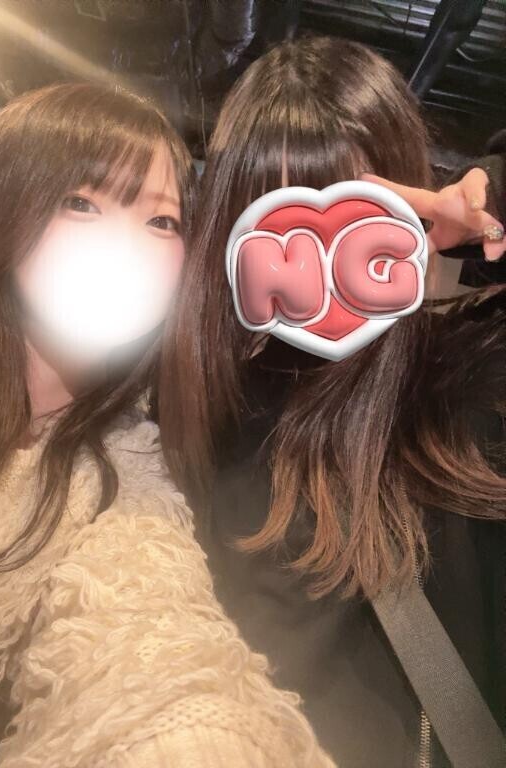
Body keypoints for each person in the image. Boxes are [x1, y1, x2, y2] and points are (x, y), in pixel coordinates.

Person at [0, 82, 333, 768]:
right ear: (4, 202)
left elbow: (151, 651)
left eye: (162, 221)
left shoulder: (128, 474)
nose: (124, 243)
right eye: (81, 202)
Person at [158, 36, 506, 768]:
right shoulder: (177, 404)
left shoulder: (464, 388)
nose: (318, 260)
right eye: (280, 216)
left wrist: (493, 197)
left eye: (357, 212)